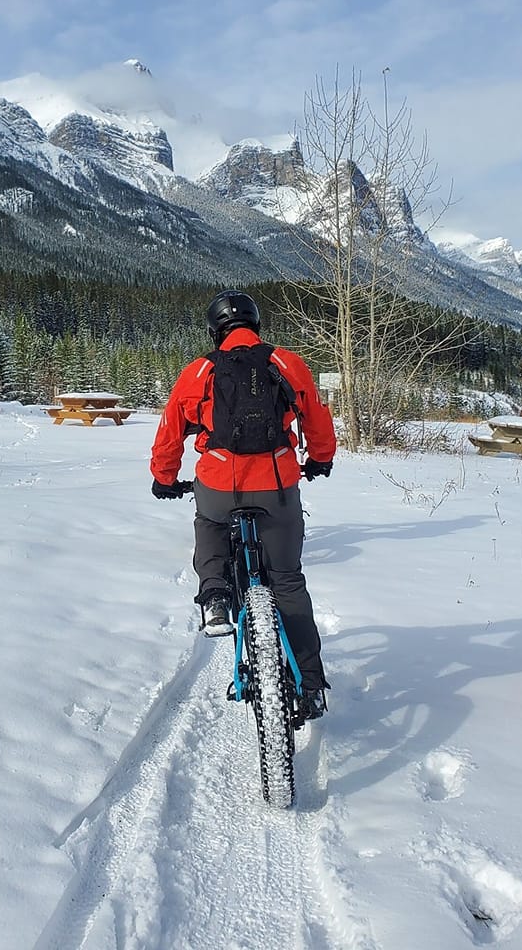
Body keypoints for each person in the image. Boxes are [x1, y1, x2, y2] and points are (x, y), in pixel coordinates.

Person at [150, 290, 337, 722]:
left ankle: (215, 594)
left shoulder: (199, 371)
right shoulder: (286, 362)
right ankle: (311, 685)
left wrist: (164, 477)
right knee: (287, 580)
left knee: (209, 522)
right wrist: (320, 458)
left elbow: (170, 428)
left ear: (215, 331)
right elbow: (316, 417)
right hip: (277, 484)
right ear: (256, 325)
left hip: (219, 482)